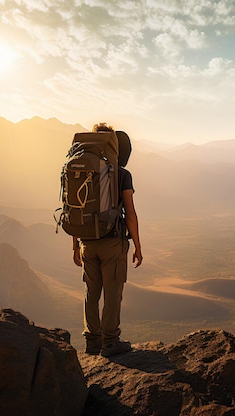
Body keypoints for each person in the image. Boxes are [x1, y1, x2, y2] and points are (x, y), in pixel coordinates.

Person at [72, 123, 143, 357]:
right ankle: (110, 342)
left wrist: (76, 246)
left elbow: (76, 210)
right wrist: (138, 246)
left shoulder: (81, 169)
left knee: (91, 292)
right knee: (113, 292)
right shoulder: (121, 174)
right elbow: (130, 212)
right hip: (112, 242)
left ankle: (92, 342)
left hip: (86, 241)